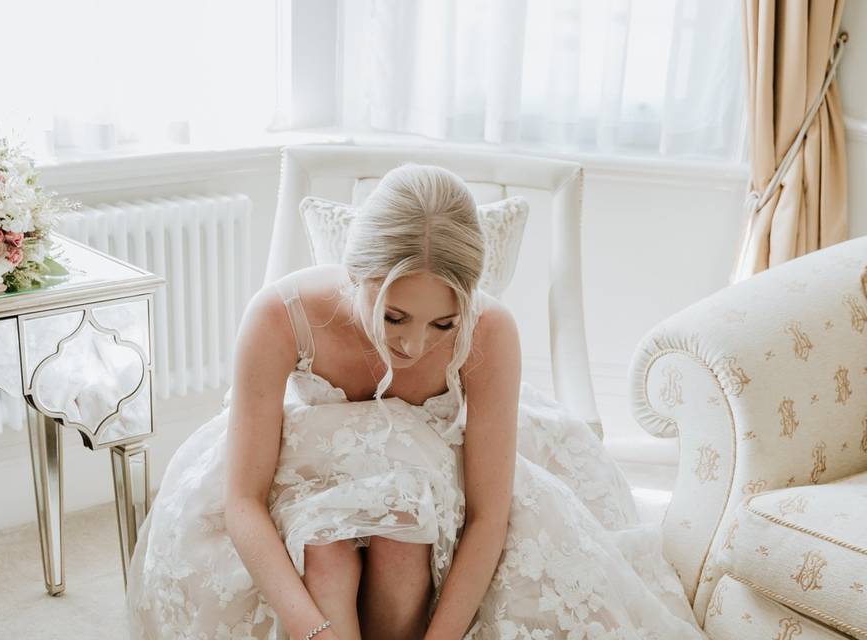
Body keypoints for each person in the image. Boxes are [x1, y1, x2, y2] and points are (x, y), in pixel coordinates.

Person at [125, 164, 705, 639]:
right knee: (324, 554)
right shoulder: (281, 315)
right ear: (355, 276)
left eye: (443, 324)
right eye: (394, 316)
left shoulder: (491, 332)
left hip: (439, 474)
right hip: (306, 473)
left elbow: (488, 516)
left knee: (405, 537)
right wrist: (315, 630)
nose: (412, 344)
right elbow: (243, 501)